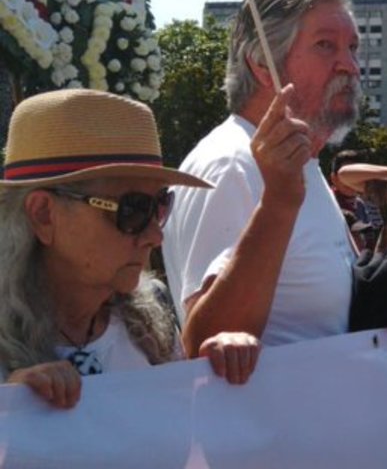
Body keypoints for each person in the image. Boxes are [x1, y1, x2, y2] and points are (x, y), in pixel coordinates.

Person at [162, 0, 387, 354]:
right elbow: (208, 345)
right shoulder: (231, 164)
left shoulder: (300, 163)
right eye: (326, 45)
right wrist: (278, 203)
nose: (351, 66)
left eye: (353, 48)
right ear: (262, 64)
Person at [0, 89, 260, 409]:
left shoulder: (151, 323)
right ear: (43, 214)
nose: (155, 236)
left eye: (161, 206)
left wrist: (212, 372)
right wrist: (11, 408)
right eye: (133, 209)